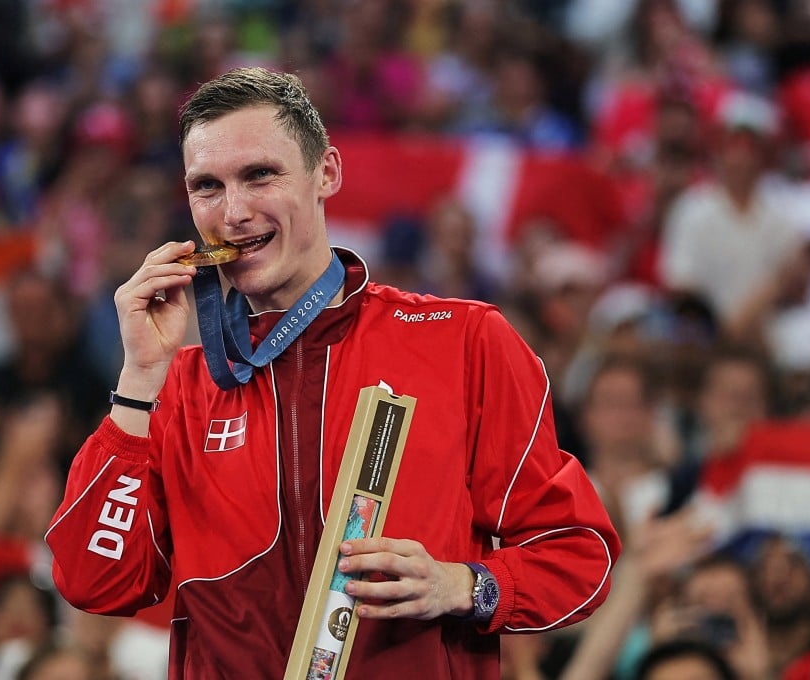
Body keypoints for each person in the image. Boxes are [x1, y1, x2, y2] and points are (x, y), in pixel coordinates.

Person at [46, 67, 620, 678]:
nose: (234, 211)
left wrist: (465, 585)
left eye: (260, 175)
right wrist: (138, 378)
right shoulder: (180, 389)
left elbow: (581, 557)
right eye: (207, 186)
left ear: (327, 173)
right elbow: (93, 581)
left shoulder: (464, 341)